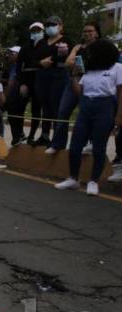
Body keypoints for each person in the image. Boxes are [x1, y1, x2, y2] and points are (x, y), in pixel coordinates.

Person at [55, 40, 122, 195]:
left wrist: (119, 115)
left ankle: (93, 181)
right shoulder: (89, 70)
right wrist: (74, 76)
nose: (88, 55)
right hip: (85, 108)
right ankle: (73, 178)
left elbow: (120, 93)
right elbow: (80, 91)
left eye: (92, 52)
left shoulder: (117, 68)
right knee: (75, 146)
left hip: (104, 108)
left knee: (99, 147)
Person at [48, 21, 102, 154]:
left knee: (87, 114)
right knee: (62, 112)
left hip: (92, 84)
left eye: (90, 31)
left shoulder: (101, 46)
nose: (87, 33)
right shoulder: (78, 47)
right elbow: (68, 62)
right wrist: (82, 65)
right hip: (73, 81)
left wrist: (79, 64)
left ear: (96, 33)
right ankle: (58, 144)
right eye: (85, 31)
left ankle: (89, 143)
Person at [34, 15, 72, 148]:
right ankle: (44, 136)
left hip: (59, 76)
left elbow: (66, 57)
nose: (50, 27)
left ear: (61, 26)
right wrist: (41, 62)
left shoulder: (66, 40)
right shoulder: (41, 42)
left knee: (57, 108)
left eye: (53, 24)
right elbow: (34, 57)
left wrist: (52, 60)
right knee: (45, 108)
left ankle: (58, 140)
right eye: (48, 25)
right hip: (42, 76)